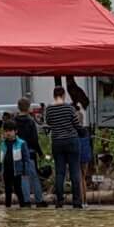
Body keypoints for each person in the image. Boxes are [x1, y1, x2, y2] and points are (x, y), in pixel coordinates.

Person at [43, 81, 85, 209]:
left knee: (60, 172)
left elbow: (48, 122)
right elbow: (76, 124)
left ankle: (59, 201)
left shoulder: (49, 109)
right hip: (72, 141)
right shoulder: (69, 108)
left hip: (57, 142)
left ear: (53, 95)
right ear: (63, 95)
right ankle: (77, 202)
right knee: (74, 172)